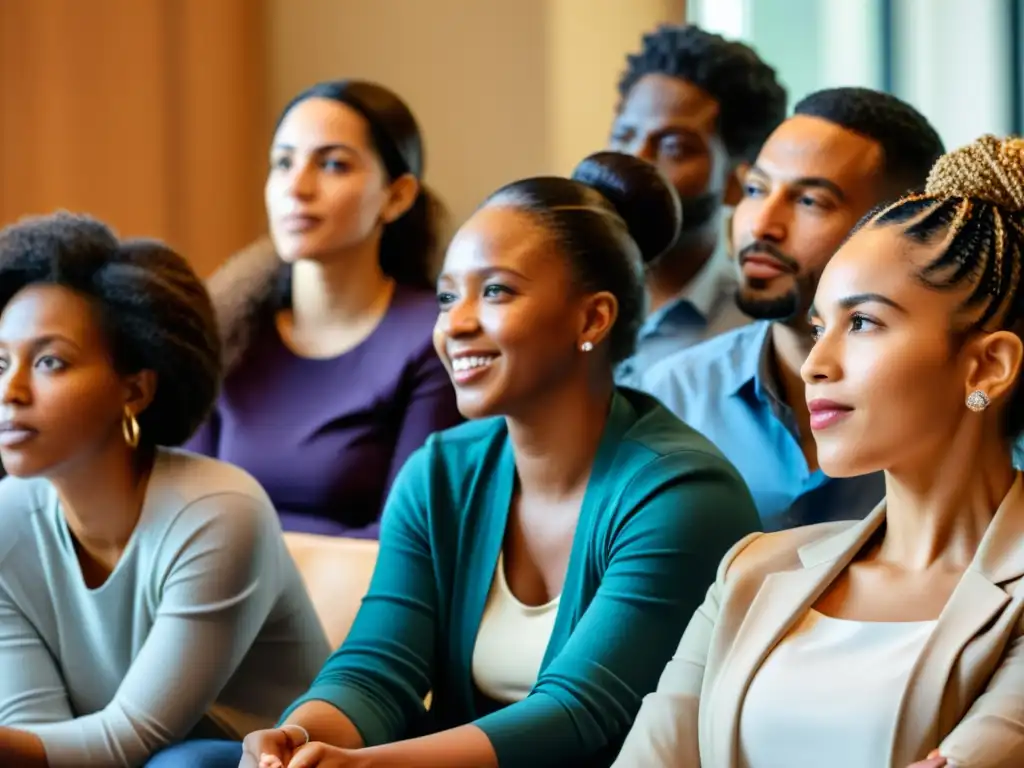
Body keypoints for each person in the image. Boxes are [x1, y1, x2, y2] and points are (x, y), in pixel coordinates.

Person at [156, 153, 761, 768]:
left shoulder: (680, 492)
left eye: (496, 290)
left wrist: (369, 766)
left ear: (593, 317)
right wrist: (303, 736)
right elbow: (377, 668)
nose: (455, 325)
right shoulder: (441, 472)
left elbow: (581, 710)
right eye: (448, 297)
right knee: (195, 762)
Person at [613, 135, 1024, 768]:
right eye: (817, 327)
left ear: (987, 366)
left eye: (862, 323)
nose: (816, 366)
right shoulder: (750, 571)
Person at [0, 213, 330, 768]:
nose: (11, 390)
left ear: (135, 389)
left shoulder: (219, 513)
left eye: (50, 361)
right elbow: (34, 738)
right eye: (0, 361)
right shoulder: (7, 521)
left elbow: (129, 740)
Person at [640, 87, 946, 530]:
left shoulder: (963, 410)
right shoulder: (673, 397)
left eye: (810, 201)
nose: (762, 224)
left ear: (901, 228)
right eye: (755, 189)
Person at [187, 79, 462, 538]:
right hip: (215, 599)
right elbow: (180, 517)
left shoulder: (432, 340)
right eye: (283, 162)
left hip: (353, 604)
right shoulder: (225, 332)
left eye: (333, 164)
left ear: (397, 196)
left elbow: (407, 539)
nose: (297, 186)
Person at [610, 24, 786, 384]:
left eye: (673, 147)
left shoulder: (763, 338)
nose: (634, 161)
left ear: (739, 185)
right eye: (624, 136)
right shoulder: (557, 302)